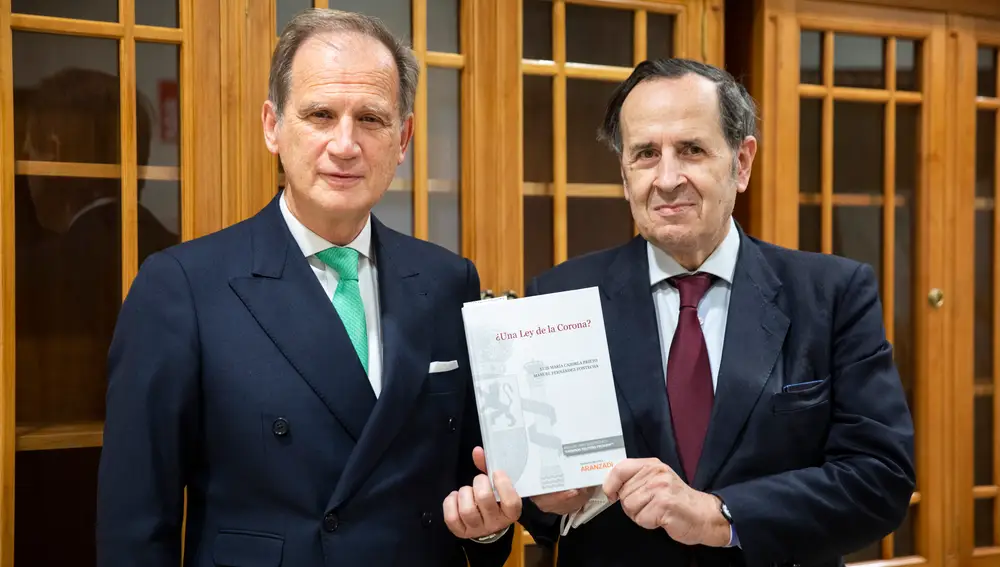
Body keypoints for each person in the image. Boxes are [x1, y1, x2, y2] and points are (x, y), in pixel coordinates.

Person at [96, 9, 515, 566]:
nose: (345, 144)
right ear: (273, 126)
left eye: (371, 118)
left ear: (404, 137)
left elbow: (475, 492)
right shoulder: (182, 288)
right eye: (320, 114)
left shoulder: (446, 281)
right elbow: (135, 526)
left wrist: (486, 529)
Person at [517, 58, 916, 567]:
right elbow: (542, 502)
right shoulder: (559, 297)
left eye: (691, 150)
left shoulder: (833, 294)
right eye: (644, 154)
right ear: (624, 173)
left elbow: (880, 479)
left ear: (741, 162)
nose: (666, 179)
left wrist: (722, 515)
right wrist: (549, 503)